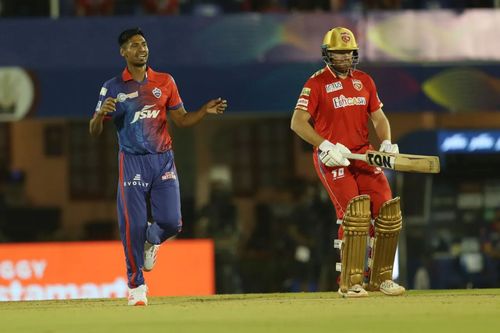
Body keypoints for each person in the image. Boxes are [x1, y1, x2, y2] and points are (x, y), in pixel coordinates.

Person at [89, 27, 227, 306]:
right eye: (135, 45)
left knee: (172, 223)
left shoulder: (165, 81)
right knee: (132, 225)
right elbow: (94, 130)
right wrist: (101, 115)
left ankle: (152, 240)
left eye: (144, 44)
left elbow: (183, 120)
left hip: (163, 159)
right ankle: (136, 285)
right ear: (123, 52)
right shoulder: (113, 87)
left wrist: (204, 111)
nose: (142, 48)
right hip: (132, 161)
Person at [290, 27, 405, 298]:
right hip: (333, 158)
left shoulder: (364, 80)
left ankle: (382, 279)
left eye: (347, 52)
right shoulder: (315, 83)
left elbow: (378, 118)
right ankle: (350, 281)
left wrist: (386, 142)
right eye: (337, 53)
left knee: (387, 212)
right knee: (355, 216)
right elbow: (297, 123)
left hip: (362, 154)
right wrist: (325, 144)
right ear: (327, 54)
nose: (343, 57)